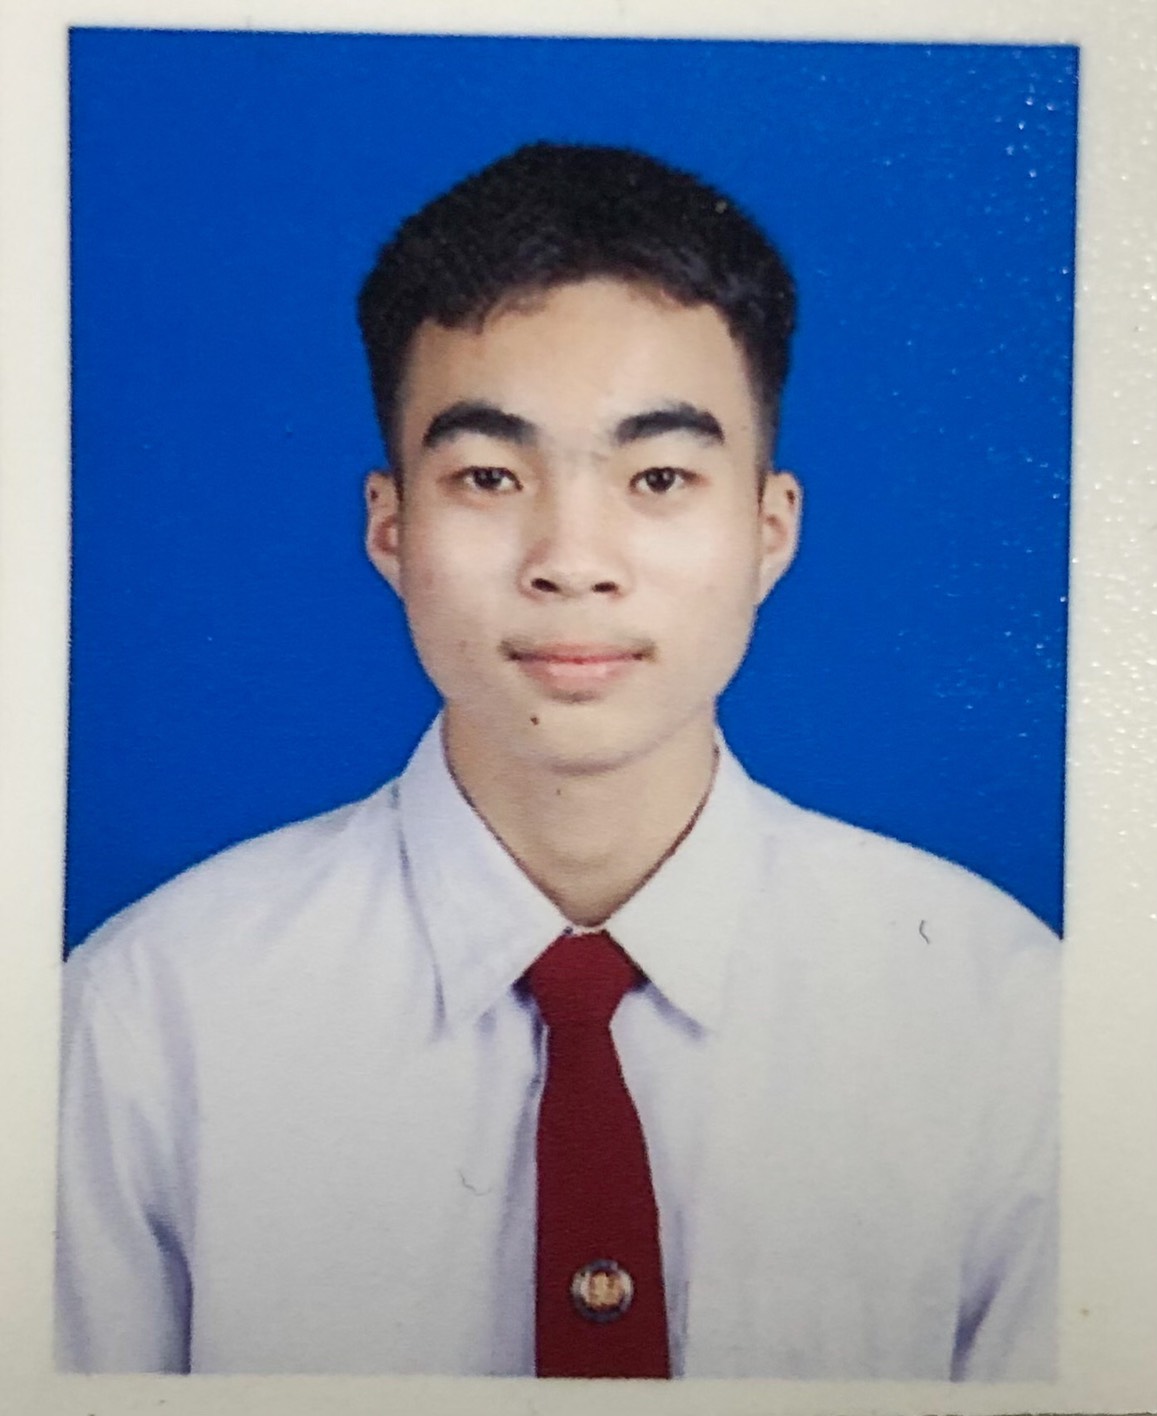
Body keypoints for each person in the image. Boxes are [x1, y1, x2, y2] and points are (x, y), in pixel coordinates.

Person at [55, 142, 1059, 1379]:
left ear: (769, 530)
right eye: (488, 476)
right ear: (391, 528)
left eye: (659, 477)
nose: (572, 560)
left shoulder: (1009, 1021)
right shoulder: (147, 1019)